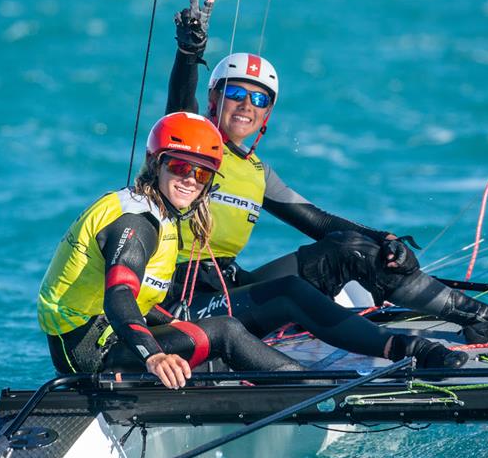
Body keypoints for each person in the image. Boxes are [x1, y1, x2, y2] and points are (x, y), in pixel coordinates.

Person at [162, 0, 488, 355]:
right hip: (184, 301)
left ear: (267, 114)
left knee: (354, 249)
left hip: (233, 288)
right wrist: (188, 52)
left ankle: (481, 318)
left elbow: (318, 221)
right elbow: (179, 104)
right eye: (234, 93)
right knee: (319, 271)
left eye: (259, 98)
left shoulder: (256, 171)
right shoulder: (190, 146)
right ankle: (399, 345)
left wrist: (382, 239)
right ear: (213, 99)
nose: (246, 105)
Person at [37, 112, 307, 389]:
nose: (190, 179)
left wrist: (178, 324)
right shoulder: (137, 223)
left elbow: (142, 301)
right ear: (156, 165)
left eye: (201, 173)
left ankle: (276, 388)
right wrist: (154, 356)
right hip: (89, 354)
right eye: (179, 167)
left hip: (109, 335)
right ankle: (311, 389)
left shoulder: (159, 212)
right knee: (225, 331)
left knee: (208, 331)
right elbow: (118, 296)